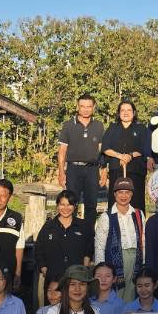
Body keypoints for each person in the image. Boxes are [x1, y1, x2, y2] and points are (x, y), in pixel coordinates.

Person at [33, 190, 91, 310]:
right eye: (62, 204)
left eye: (69, 204)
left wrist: (84, 269)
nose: (65, 208)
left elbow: (88, 249)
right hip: (53, 279)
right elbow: (39, 249)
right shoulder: (48, 227)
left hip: (76, 280)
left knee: (75, 311)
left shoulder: (83, 226)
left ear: (75, 206)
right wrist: (44, 269)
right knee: (52, 313)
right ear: (57, 205)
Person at [57, 93, 105, 221]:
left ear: (94, 107)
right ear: (78, 106)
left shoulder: (99, 125)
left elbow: (102, 151)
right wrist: (61, 172)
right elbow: (62, 152)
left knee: (91, 205)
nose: (86, 109)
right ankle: (71, 231)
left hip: (92, 170)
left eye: (89, 106)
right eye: (82, 106)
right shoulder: (68, 125)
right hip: (73, 170)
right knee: (71, 204)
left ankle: (89, 232)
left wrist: (104, 170)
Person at [97, 179, 145, 302]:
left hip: (136, 259)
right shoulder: (106, 217)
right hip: (115, 260)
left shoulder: (139, 214)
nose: (124, 196)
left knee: (133, 294)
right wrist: (101, 269)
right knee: (115, 295)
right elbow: (99, 246)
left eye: (127, 192)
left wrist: (144, 262)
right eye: (120, 192)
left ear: (132, 194)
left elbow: (143, 240)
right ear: (114, 194)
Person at [102, 101, 149, 210]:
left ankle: (137, 221)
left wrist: (130, 156)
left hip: (136, 171)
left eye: (129, 110)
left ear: (134, 112)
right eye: (122, 110)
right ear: (119, 113)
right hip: (116, 171)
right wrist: (119, 156)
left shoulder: (141, 128)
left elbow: (144, 148)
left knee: (136, 203)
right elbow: (105, 148)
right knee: (115, 203)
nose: (126, 113)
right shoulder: (112, 128)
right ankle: (115, 221)